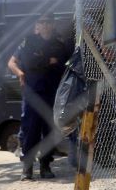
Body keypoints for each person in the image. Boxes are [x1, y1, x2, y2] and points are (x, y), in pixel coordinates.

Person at [7, 13, 71, 180]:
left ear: (53, 24)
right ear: (37, 25)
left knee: (49, 130)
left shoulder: (59, 44)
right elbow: (25, 62)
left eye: (49, 22)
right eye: (42, 22)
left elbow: (61, 65)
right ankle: (27, 168)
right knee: (30, 130)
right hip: (32, 91)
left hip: (51, 91)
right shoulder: (28, 42)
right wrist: (26, 70)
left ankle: (45, 165)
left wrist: (39, 61)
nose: (46, 25)